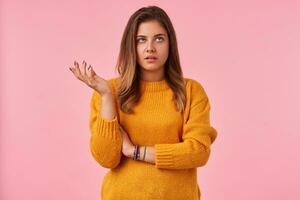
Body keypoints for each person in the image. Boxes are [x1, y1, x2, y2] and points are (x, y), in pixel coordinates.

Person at [69, 5, 217, 200]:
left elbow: (198, 152)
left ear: (170, 44)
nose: (150, 48)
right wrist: (106, 97)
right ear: (131, 46)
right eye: (141, 40)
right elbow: (106, 158)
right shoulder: (109, 92)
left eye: (159, 39)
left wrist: (134, 151)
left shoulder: (191, 91)